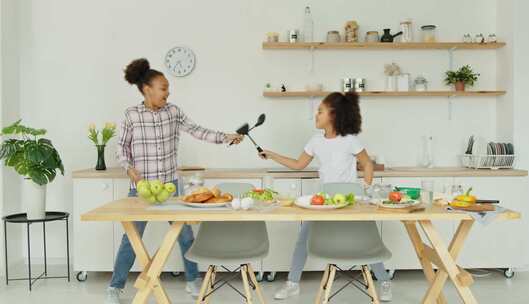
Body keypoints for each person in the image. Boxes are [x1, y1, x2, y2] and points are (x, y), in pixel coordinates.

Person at [105, 58, 243, 304]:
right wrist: (129, 169)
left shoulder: (173, 112)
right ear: (147, 89)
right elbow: (121, 149)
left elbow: (197, 130)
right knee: (132, 238)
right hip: (141, 189)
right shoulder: (131, 115)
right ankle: (114, 288)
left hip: (170, 186)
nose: (168, 93)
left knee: (185, 234)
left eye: (168, 88)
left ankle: (192, 280)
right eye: (163, 87)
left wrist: (226, 137)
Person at [259, 92, 393, 302]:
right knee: (303, 239)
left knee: (366, 239)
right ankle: (292, 284)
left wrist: (366, 187)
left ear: (333, 114)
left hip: (350, 200)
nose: (316, 115)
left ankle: (384, 281)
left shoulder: (350, 140)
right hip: (324, 199)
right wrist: (272, 154)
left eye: (320, 111)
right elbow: (298, 164)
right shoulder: (315, 141)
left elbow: (367, 164)